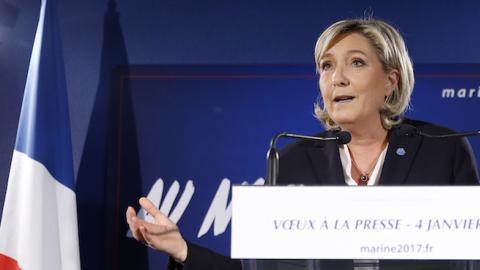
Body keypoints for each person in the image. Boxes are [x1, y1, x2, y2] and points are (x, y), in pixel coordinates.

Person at [126, 18, 480, 270]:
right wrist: (182, 249)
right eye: (326, 67)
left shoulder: (442, 149)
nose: (337, 78)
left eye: (356, 63)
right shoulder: (293, 159)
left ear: (391, 80)